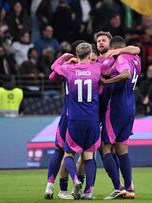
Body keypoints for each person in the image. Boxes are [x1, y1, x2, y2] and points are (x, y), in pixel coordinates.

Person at [50, 43, 111, 200]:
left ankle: (75, 180)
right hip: (92, 119)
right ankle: (89, 191)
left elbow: (54, 67)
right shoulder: (96, 68)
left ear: (77, 54)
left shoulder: (69, 69)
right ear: (90, 53)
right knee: (89, 156)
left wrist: (63, 58)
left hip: (75, 119)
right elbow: (110, 69)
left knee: (68, 153)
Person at [44, 40, 86, 200]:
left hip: (66, 115)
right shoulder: (90, 67)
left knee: (60, 150)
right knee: (84, 154)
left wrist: (62, 59)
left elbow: (51, 75)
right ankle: (81, 188)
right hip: (84, 117)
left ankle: (50, 187)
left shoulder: (67, 67)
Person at [100, 36, 141, 200]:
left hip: (116, 107)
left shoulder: (122, 58)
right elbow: (136, 50)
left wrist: (107, 82)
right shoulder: (135, 59)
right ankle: (129, 185)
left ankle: (118, 187)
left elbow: (125, 74)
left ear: (114, 49)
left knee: (105, 147)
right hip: (130, 106)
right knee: (122, 149)